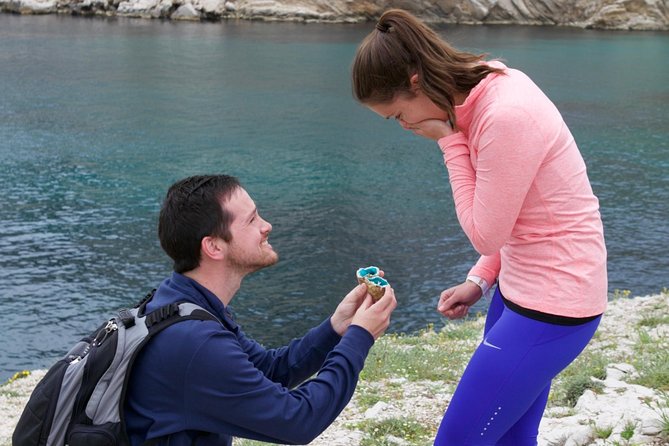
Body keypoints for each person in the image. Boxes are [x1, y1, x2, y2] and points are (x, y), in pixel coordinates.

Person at [351, 9, 607, 446]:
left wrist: (449, 141)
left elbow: (485, 233)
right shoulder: (492, 86)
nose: (406, 126)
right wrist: (481, 278)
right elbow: (519, 213)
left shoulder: (504, 114)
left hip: (554, 306)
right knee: (511, 437)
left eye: (397, 116)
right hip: (520, 290)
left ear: (415, 80)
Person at [124, 174, 397, 445]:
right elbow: (298, 420)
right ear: (214, 246)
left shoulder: (183, 303)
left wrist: (338, 328)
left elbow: (269, 369)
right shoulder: (194, 342)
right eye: (252, 220)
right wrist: (360, 336)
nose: (267, 226)